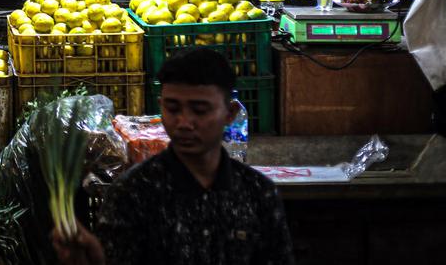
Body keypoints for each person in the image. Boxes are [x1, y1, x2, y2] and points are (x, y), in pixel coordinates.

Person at [53, 48, 293, 265]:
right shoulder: (132, 193)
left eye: (199, 110)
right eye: (173, 108)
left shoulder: (257, 193)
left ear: (230, 113)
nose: (184, 122)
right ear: (160, 105)